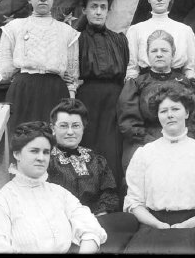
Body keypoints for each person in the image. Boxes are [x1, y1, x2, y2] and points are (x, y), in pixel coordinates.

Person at [0, 121, 106, 253]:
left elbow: (91, 229)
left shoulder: (59, 194)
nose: (41, 158)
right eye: (34, 151)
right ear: (17, 154)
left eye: (46, 152)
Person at [123, 84, 195, 254]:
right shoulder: (144, 154)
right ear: (158, 116)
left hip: (194, 227)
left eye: (175, 109)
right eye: (163, 111)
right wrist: (157, 224)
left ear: (187, 113)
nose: (170, 115)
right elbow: (134, 202)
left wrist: (188, 224)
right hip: (152, 226)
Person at [0, 0, 79, 136]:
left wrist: (70, 103)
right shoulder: (14, 28)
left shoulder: (68, 32)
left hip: (55, 92)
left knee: (53, 141)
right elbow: (5, 72)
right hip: (23, 90)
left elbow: (72, 77)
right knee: (22, 140)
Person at [47, 98, 139, 253]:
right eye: (63, 126)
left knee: (128, 220)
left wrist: (99, 215)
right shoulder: (47, 160)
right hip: (63, 222)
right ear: (53, 128)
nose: (70, 131)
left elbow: (109, 192)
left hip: (97, 219)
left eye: (76, 126)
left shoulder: (95, 159)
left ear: (83, 128)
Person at [117, 30, 195, 172]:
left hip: (183, 141)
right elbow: (129, 124)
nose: (159, 54)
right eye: (154, 51)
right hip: (145, 143)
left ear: (172, 54)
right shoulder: (136, 85)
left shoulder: (186, 83)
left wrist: (180, 142)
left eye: (164, 50)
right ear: (148, 55)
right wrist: (156, 144)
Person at [74, 0, 129, 189]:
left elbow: (126, 71)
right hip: (86, 97)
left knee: (111, 146)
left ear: (108, 10)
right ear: (84, 9)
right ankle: (86, 196)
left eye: (103, 7)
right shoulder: (76, 39)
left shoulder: (119, 40)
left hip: (114, 98)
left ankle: (111, 196)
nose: (98, 12)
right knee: (87, 146)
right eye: (94, 7)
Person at [125, 0, 195, 80]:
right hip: (146, 83)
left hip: (178, 84)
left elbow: (190, 67)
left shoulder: (185, 30)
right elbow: (132, 68)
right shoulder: (136, 30)